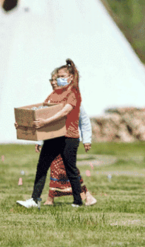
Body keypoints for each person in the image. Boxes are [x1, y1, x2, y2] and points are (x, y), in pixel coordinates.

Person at [15, 59, 85, 208]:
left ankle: (78, 201)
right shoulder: (53, 94)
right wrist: (23, 124)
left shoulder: (73, 93)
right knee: (42, 166)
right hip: (53, 136)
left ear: (70, 77)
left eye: (61, 76)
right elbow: (40, 112)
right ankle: (35, 200)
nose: (58, 79)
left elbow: (64, 112)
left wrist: (45, 123)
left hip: (68, 137)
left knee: (70, 168)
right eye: (57, 77)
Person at [42, 71, 97, 206]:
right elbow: (43, 120)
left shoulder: (72, 99)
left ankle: (84, 196)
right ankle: (52, 199)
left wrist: (87, 139)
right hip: (53, 139)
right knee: (56, 168)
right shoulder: (50, 99)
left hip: (68, 139)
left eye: (58, 79)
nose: (54, 82)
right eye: (53, 80)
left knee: (68, 170)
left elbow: (84, 120)